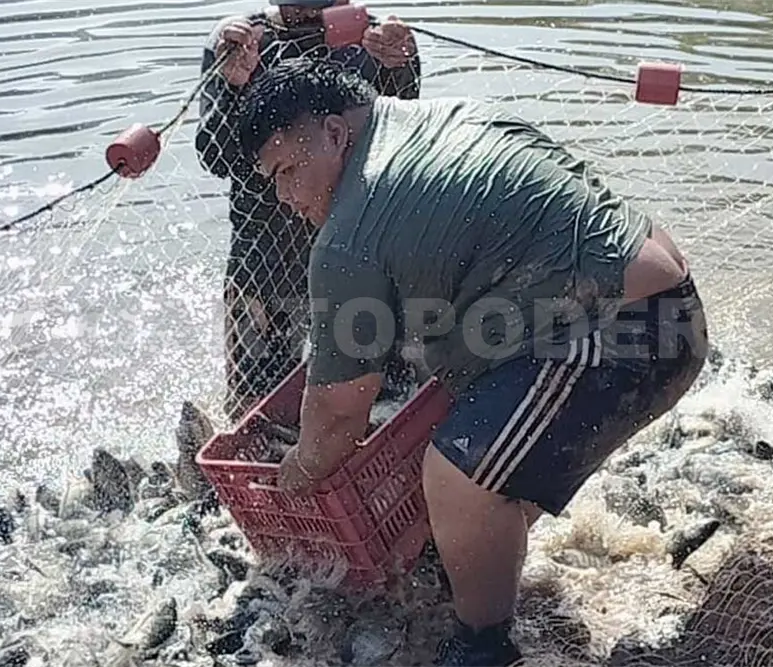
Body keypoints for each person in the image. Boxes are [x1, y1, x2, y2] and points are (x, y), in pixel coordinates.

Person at [238, 57, 710, 667]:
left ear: (333, 133)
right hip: (654, 297)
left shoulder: (347, 237)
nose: (285, 197)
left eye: (288, 170)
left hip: (635, 333)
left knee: (455, 475)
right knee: (464, 486)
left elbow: (335, 415)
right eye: (273, 180)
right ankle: (476, 556)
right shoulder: (444, 114)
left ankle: (483, 644)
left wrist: (295, 476)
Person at [194, 0, 422, 423]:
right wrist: (232, 86)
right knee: (257, 411)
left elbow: (404, 138)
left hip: (361, 255)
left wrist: (401, 66)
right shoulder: (241, 41)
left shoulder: (376, 40)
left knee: (384, 405)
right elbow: (216, 157)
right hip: (267, 260)